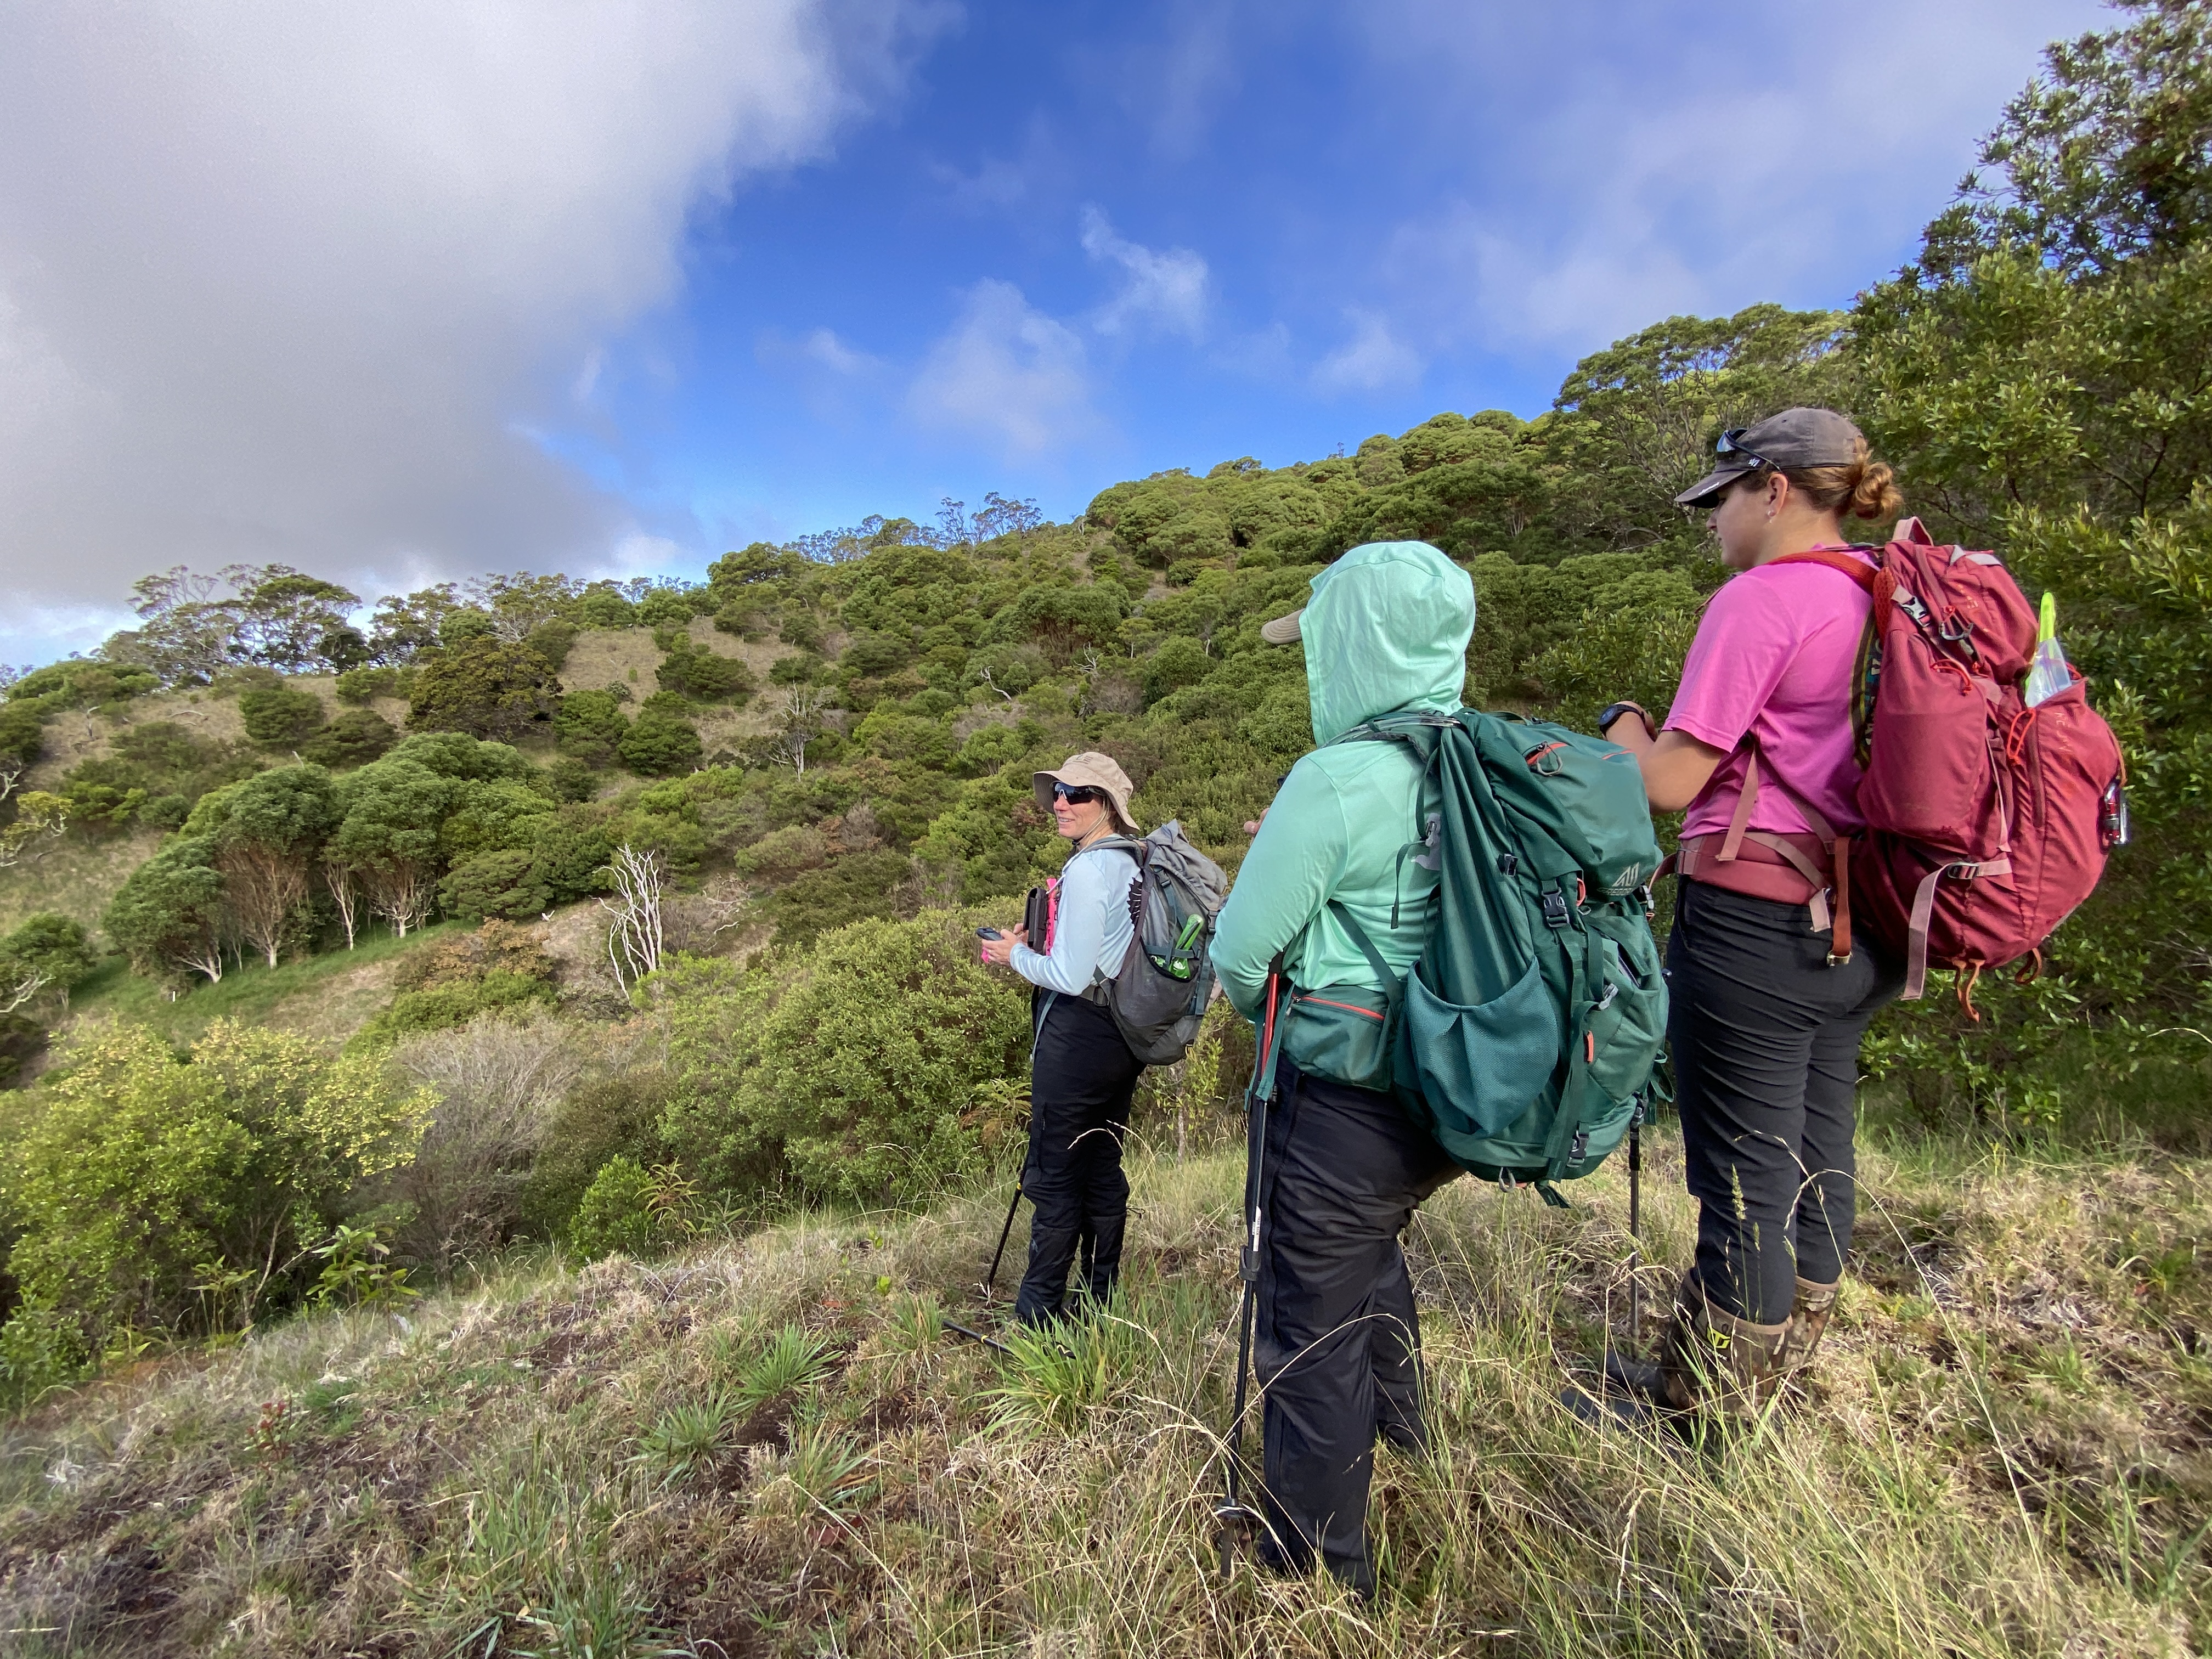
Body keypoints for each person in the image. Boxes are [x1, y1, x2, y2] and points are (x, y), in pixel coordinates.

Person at [1598, 407, 1906, 1414]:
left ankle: (1706, 1421)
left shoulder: (1761, 599)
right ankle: (1778, 1377)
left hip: (1754, 923)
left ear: (1774, 490)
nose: (1711, 521)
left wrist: (1624, 725)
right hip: (1864, 922)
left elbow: (1670, 782)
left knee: (1742, 1181)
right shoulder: (1886, 593)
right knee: (1819, 1153)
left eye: (1721, 498)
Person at [1210, 539, 1473, 1597]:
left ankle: (1318, 1570)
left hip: (1348, 1095)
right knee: (1371, 1255)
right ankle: (1404, 1440)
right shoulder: (1489, 758)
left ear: (1349, 647)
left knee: (1306, 1322)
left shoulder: (1336, 776)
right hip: (1457, 1086)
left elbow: (1238, 955)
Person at [980, 752, 1145, 1327]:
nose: (1061, 802)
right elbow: (1100, 954)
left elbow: (1072, 978)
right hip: (1119, 1037)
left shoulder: (1090, 869)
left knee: (1054, 1176)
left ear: (1106, 807)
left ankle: (1039, 1318)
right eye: (1059, 791)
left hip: (1077, 1039)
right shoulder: (1132, 861)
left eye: (1079, 794)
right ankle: (1100, 1297)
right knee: (1101, 1163)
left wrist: (1014, 955)